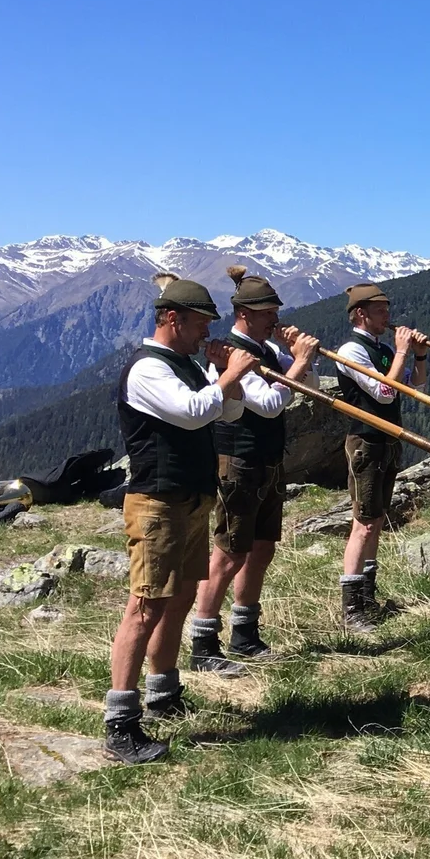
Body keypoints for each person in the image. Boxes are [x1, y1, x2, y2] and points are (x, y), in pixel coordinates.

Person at [105, 275, 260, 765]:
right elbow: (193, 413)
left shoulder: (187, 365)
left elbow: (228, 414)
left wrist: (222, 376)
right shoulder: (148, 369)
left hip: (190, 500)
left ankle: (164, 692)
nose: (204, 333)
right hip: (157, 502)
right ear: (172, 319)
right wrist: (229, 374)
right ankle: (120, 722)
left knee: (178, 600)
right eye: (199, 324)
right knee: (146, 605)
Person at [187, 266, 318, 672]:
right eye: (267, 313)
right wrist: (298, 362)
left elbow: (306, 385)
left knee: (261, 548)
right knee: (228, 552)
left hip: (267, 459)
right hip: (239, 460)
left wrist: (301, 360)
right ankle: (203, 642)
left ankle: (245, 634)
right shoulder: (230, 356)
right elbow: (270, 403)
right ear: (245, 313)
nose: (275, 319)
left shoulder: (266, 352)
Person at [333, 282, 426, 627]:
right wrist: (402, 351)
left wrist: (417, 354)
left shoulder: (383, 348)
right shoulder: (351, 352)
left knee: (377, 520)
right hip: (366, 442)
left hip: (388, 439)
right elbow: (386, 392)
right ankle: (352, 608)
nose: (388, 316)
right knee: (364, 522)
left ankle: (368, 597)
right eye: (381, 311)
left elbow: (416, 384)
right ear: (361, 314)